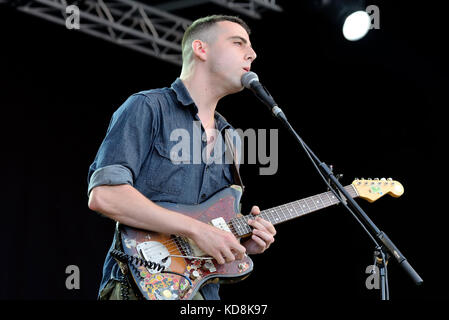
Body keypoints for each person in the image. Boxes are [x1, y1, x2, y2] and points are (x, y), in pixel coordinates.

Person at [87, 15, 276, 300]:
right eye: (238, 43)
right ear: (201, 49)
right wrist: (197, 230)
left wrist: (241, 243)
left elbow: (212, 226)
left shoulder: (231, 139)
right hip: (138, 286)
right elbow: (105, 196)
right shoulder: (148, 107)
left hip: (200, 294)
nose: (252, 53)